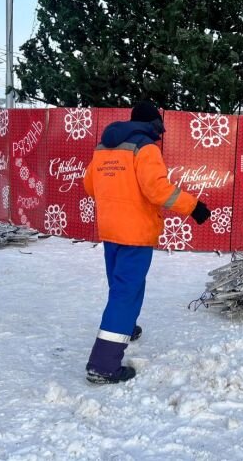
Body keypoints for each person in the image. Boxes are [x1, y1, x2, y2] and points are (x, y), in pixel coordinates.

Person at [83, 100, 211, 384]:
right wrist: (194, 206)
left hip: (109, 228)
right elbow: (158, 191)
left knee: (123, 285)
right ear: (153, 124)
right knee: (125, 292)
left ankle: (126, 326)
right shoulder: (146, 148)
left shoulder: (104, 147)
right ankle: (103, 364)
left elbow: (89, 184)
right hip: (135, 231)